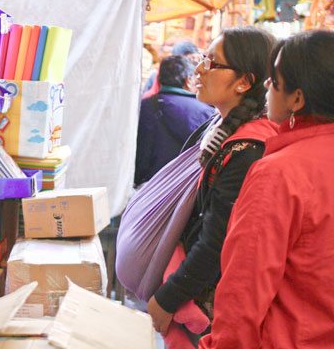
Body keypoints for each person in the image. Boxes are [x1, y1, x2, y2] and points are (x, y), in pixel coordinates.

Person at [199, 30, 334, 348]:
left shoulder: (279, 173)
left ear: (297, 99)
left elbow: (243, 291)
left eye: (274, 81)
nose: (267, 87)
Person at [145, 27, 279, 341]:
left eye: (211, 63)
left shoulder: (249, 150)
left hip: (211, 312)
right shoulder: (220, 129)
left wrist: (167, 298)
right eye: (202, 59)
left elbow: (216, 240)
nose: (198, 70)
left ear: (244, 82)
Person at [135, 55, 214, 186]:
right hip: (182, 187)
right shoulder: (206, 111)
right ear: (188, 80)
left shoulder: (143, 105)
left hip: (146, 185)